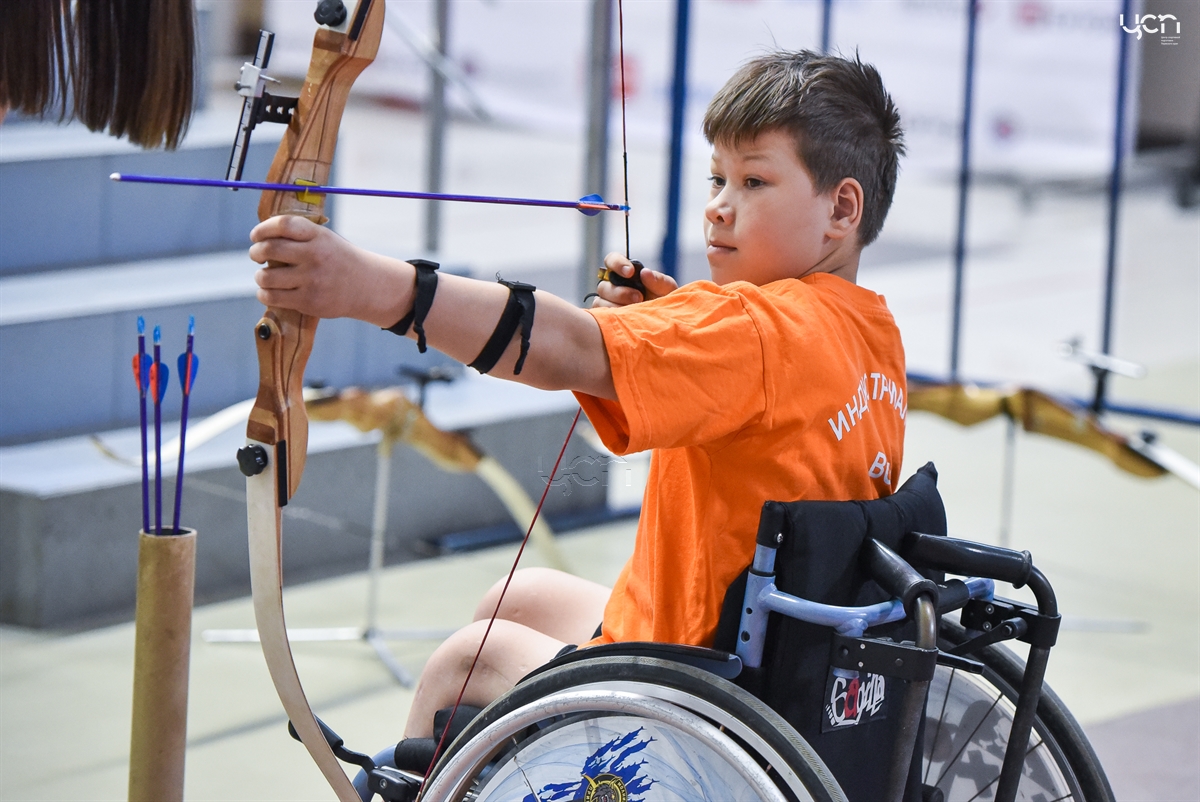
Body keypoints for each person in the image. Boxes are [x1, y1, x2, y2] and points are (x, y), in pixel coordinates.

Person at [248, 49, 907, 749]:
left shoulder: (749, 329)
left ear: (841, 207)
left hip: (701, 687)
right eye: (717, 177)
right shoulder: (872, 329)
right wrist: (678, 318)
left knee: (468, 660)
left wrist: (374, 289)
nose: (718, 206)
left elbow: (565, 348)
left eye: (753, 181)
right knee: (520, 596)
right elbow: (781, 398)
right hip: (790, 672)